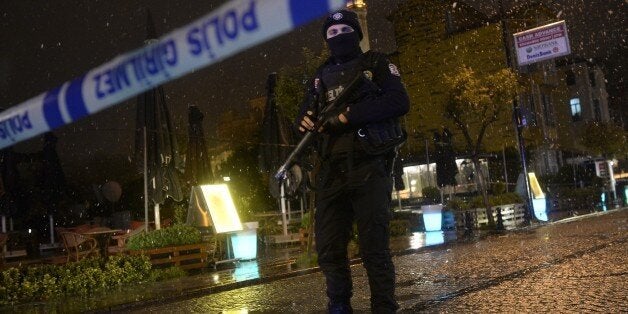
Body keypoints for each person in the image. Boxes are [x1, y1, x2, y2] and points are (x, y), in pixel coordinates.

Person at [296, 9, 410, 314]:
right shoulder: (320, 77)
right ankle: (339, 306)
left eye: (344, 31)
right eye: (330, 34)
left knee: (374, 248)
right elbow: (307, 110)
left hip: (369, 165)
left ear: (356, 34)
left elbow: (399, 101)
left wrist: (348, 116)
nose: (338, 38)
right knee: (330, 249)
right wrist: (304, 120)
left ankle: (384, 308)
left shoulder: (376, 64)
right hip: (331, 171)